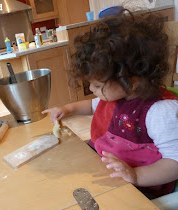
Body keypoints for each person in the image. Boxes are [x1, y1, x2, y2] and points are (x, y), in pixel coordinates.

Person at [43, 11, 178, 199]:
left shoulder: (160, 113)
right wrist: (67, 109)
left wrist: (136, 175)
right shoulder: (118, 95)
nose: (91, 88)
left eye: (97, 86)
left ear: (131, 81)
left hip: (142, 188)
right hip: (113, 173)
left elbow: (175, 163)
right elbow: (92, 105)